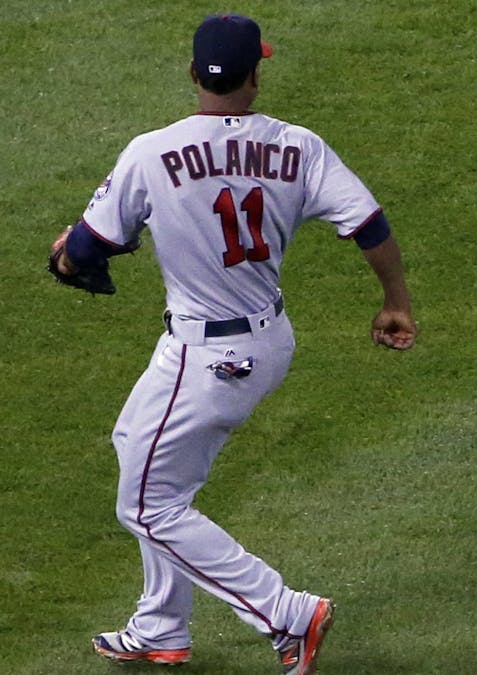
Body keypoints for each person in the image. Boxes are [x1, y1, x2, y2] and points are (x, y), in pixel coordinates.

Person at [49, 15, 416, 674]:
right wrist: (395, 301)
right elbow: (367, 223)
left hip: (207, 357)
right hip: (263, 342)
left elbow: (82, 249)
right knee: (137, 442)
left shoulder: (150, 152)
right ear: (255, 76)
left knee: (146, 502)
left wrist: (70, 259)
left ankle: (288, 613)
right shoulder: (297, 147)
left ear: (194, 74)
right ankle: (161, 627)